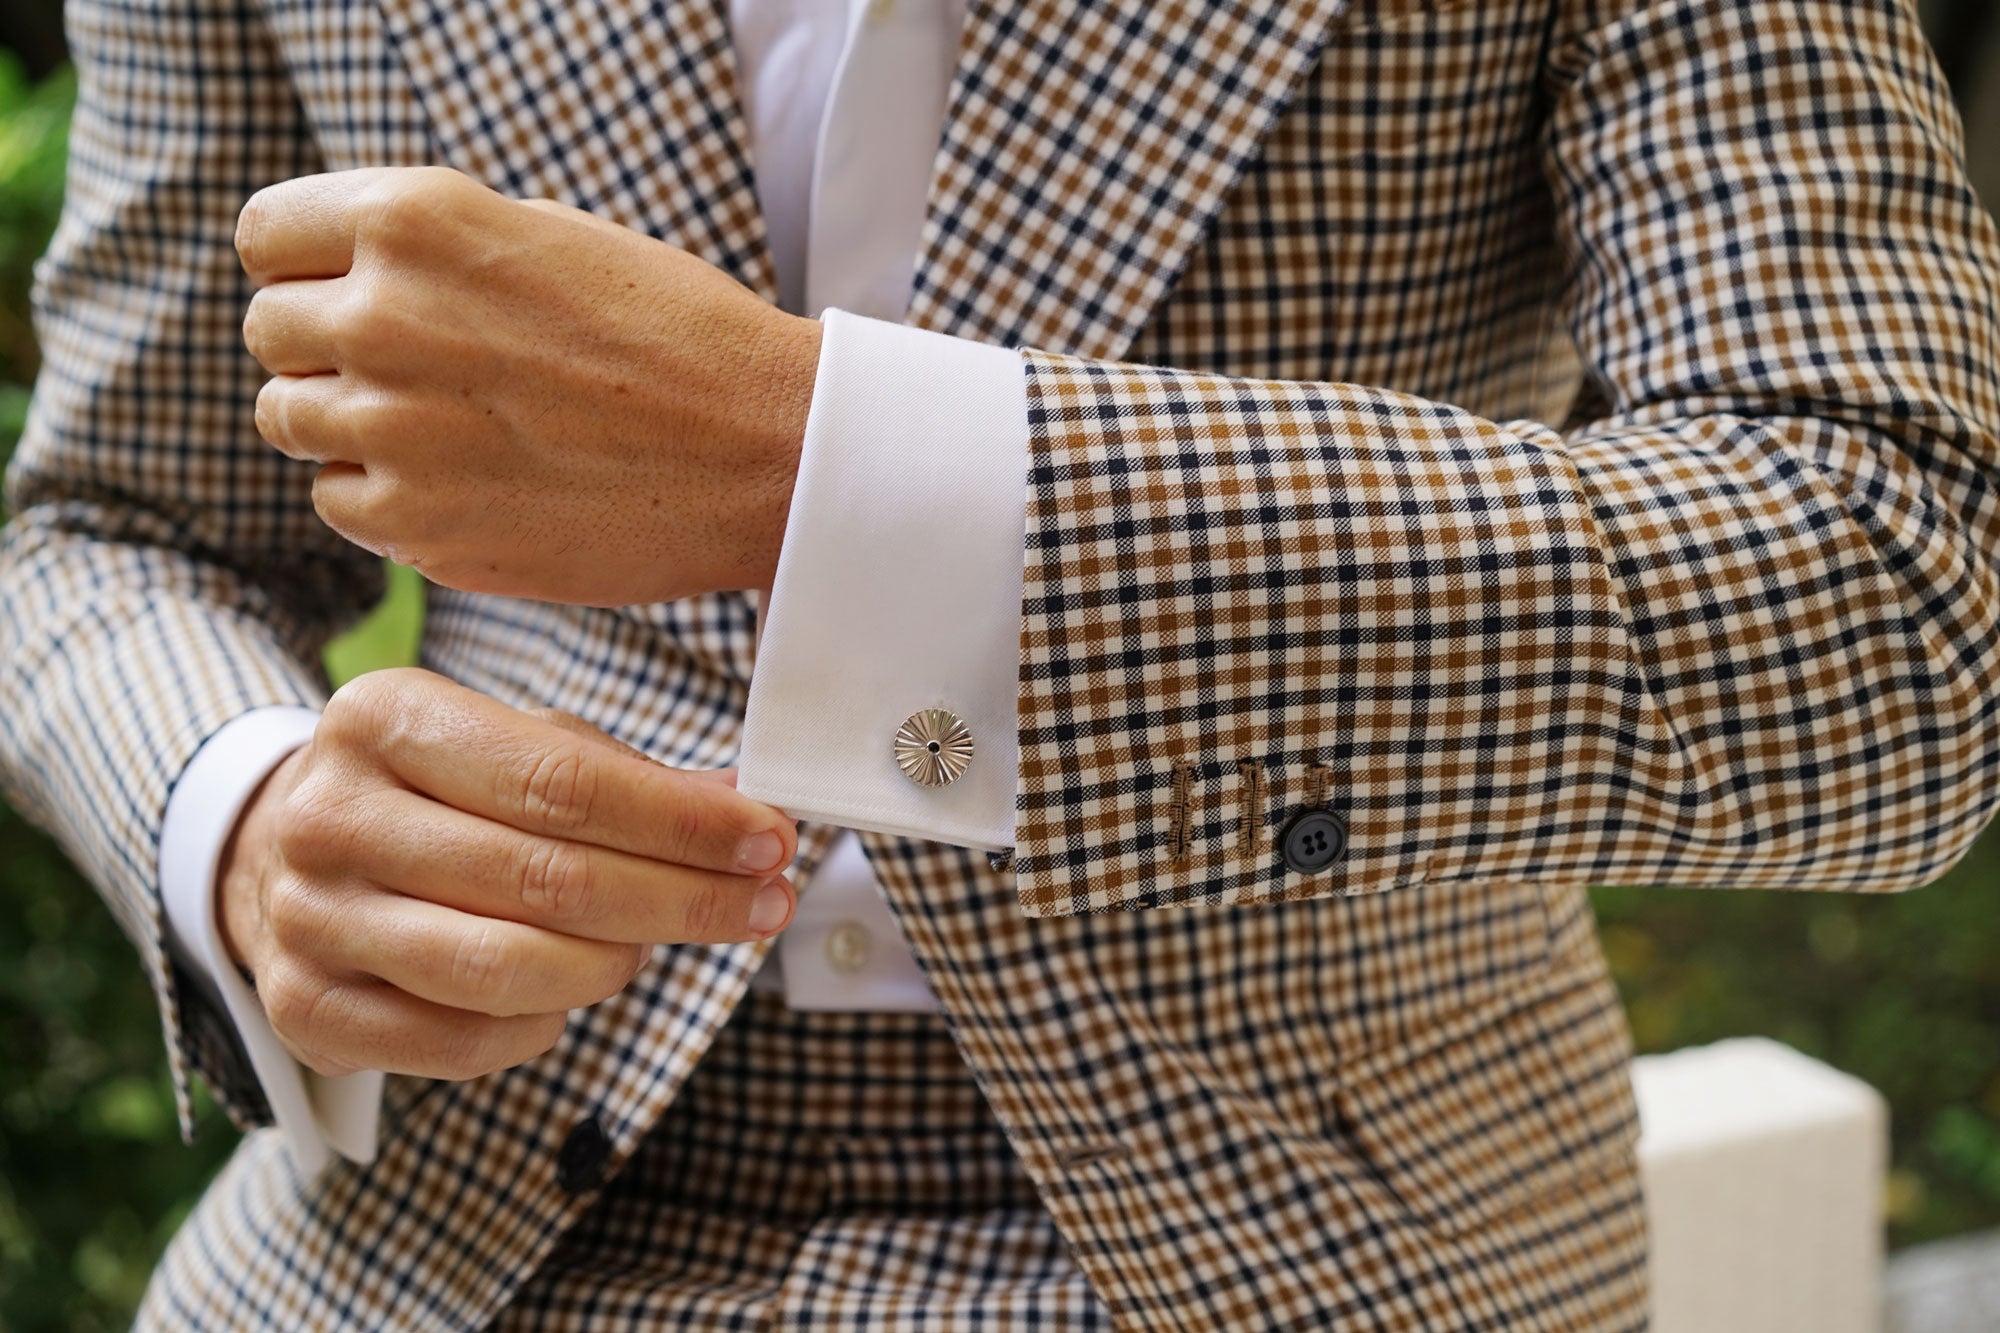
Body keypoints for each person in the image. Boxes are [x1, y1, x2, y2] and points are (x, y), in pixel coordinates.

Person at [3, 0, 1996, 1326]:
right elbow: (104, 530)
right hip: (439, 1218)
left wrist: (825, 471)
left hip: (1315, 1220)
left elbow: (1899, 594)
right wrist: (242, 812)